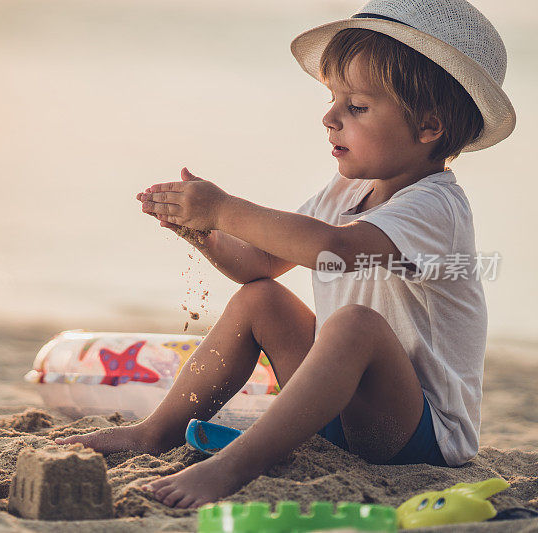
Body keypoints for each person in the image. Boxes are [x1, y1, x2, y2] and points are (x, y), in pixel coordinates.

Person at [56, 0, 516, 509]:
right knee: (262, 300)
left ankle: (233, 466)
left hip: (416, 434)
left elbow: (332, 251)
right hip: (337, 410)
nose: (329, 118)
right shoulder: (346, 193)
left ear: (429, 127)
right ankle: (156, 432)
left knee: (353, 325)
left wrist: (224, 208)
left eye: (356, 107)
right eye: (333, 99)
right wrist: (204, 232)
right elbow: (258, 264)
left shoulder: (437, 206)